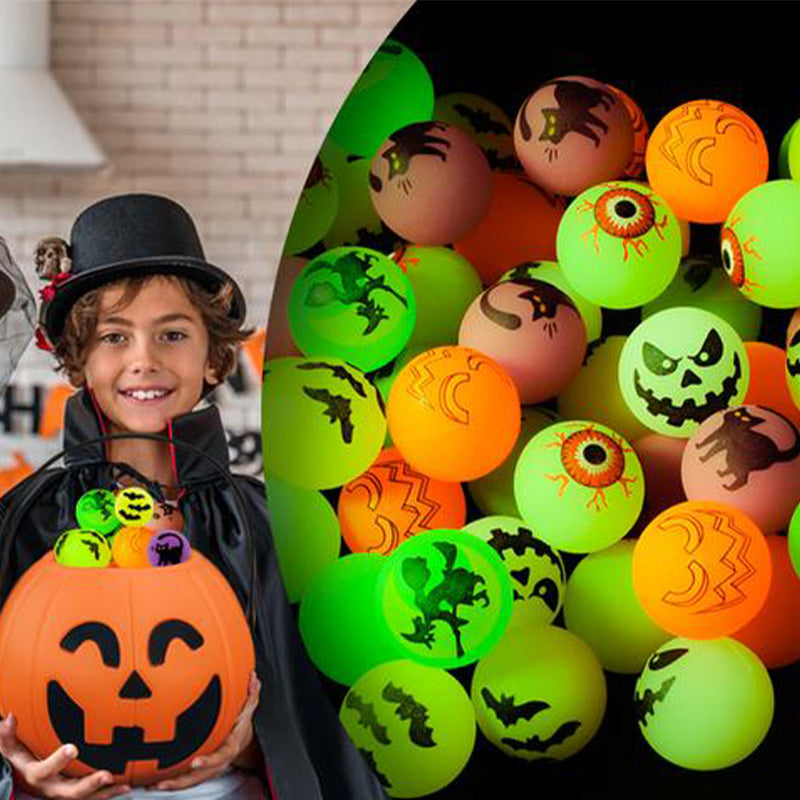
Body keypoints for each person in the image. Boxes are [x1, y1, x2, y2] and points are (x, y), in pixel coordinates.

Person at [0, 194, 387, 800]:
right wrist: (20, 773)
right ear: (79, 360)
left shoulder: (265, 520)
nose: (144, 361)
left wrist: (251, 742)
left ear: (213, 356)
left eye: (172, 334)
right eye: (114, 338)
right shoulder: (23, 521)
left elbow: (316, 718)